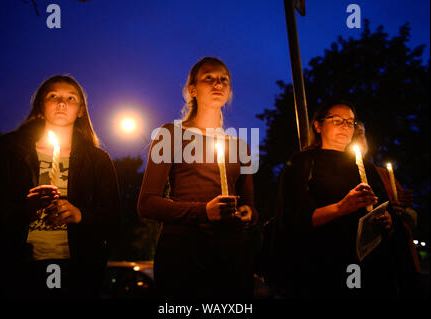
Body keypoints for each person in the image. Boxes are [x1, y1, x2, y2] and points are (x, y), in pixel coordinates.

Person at [0, 75, 120, 299]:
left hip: (76, 269)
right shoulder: (12, 154)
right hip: (15, 267)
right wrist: (24, 210)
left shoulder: (97, 161)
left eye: (70, 98)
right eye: (53, 96)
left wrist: (79, 215)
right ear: (40, 106)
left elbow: (113, 222)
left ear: (81, 110)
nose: (61, 103)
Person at [137, 57, 257, 299]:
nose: (218, 84)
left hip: (231, 257)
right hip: (183, 255)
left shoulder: (240, 146)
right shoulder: (170, 135)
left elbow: (252, 207)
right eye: (209, 78)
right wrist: (204, 212)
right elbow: (147, 203)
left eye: (224, 80)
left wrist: (247, 213)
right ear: (192, 90)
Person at [271, 100, 398, 298]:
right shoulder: (303, 162)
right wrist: (341, 207)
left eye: (350, 122)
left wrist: (387, 220)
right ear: (318, 125)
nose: (345, 126)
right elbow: (292, 220)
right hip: (317, 264)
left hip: (362, 264)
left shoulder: (367, 167)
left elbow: (385, 207)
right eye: (337, 120)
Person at [352, 122, 423, 297]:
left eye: (361, 133)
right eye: (353, 134)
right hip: (363, 266)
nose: (358, 138)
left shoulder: (383, 174)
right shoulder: (342, 176)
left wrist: (401, 210)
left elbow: (412, 219)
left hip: (401, 259)